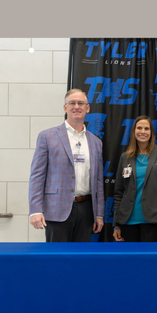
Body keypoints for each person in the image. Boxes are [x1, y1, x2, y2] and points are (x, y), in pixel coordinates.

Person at [28, 88, 104, 242]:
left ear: (87, 108)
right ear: (65, 108)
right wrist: (35, 210)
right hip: (56, 209)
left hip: (86, 210)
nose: (77, 106)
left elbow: (98, 181)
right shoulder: (47, 136)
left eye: (81, 103)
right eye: (72, 103)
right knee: (56, 259)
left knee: (80, 259)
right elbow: (37, 176)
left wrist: (99, 214)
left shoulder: (96, 142)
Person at [112, 116, 157, 242]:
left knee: (151, 260)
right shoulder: (125, 157)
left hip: (154, 220)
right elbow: (119, 193)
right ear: (133, 131)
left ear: (151, 133)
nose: (143, 131)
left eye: (146, 128)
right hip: (128, 221)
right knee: (131, 260)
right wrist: (116, 224)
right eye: (139, 128)